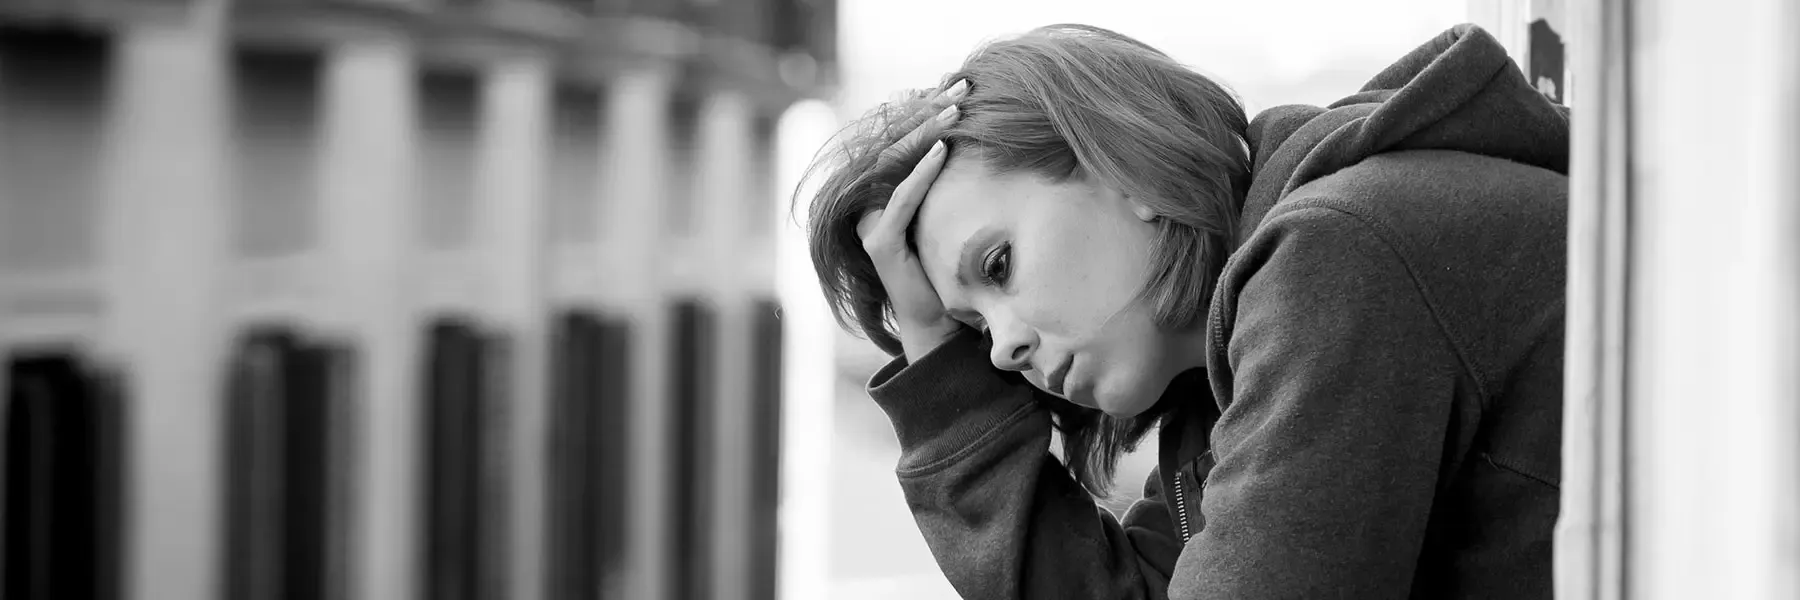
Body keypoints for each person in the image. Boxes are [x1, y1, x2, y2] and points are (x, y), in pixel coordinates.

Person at [801, 22, 1568, 599]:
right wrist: (937, 358)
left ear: (1121, 163)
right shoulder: (1215, 393)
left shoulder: (1338, 257)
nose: (1002, 350)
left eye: (998, 265)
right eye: (974, 329)